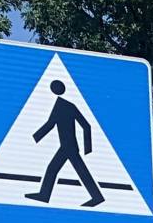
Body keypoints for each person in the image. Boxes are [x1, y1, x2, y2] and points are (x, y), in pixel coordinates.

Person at [27, 80, 105, 208]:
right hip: (66, 146)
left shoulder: (61, 105)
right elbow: (85, 126)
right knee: (54, 169)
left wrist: (88, 148)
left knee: (79, 172)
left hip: (69, 146)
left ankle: (97, 197)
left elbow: (51, 124)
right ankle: (44, 195)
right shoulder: (68, 105)